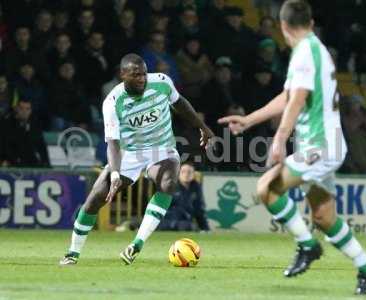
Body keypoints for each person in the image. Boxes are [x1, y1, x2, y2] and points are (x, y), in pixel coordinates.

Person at [219, 0, 366, 295]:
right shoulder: (314, 50)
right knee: (323, 216)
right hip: (325, 144)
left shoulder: (305, 52)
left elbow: (296, 100)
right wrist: (249, 120)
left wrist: (280, 138)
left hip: (320, 146)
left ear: (282, 26)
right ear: (310, 23)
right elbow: (289, 95)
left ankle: (308, 246)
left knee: (267, 188)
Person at [59, 53, 214, 266]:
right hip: (129, 153)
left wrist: (202, 127)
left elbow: (180, 104)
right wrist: (114, 174)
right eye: (135, 75)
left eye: (143, 74)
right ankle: (72, 253)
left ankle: (137, 244)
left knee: (168, 182)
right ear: (123, 75)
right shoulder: (113, 102)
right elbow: (112, 142)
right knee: (96, 197)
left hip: (162, 149)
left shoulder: (161, 82)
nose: (142, 78)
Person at [159, 162, 210, 231]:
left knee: (190, 226)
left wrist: (206, 229)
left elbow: (199, 210)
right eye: (183, 172)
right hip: (167, 222)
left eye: (189, 172)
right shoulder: (169, 187)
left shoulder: (196, 187)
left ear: (193, 174)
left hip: (185, 223)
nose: (186, 174)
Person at [0, 99, 49, 167]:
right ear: (16, 109)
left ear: (31, 111)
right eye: (21, 108)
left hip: (30, 162)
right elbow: (5, 146)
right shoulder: (6, 124)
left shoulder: (34, 124)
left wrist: (46, 162)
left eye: (27, 109)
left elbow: (41, 145)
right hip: (11, 162)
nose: (24, 111)